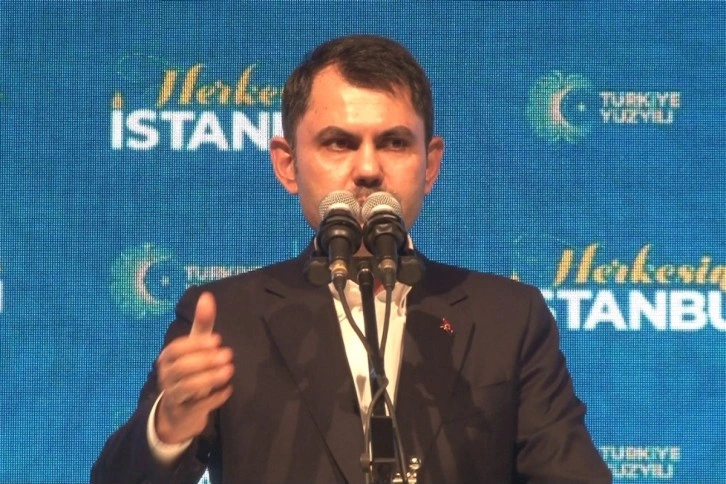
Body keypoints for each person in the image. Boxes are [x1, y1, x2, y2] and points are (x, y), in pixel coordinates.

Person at [92, 34, 612, 483]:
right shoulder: (228, 318)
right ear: (288, 165)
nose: (367, 169)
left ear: (430, 165)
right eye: (338, 143)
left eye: (394, 143)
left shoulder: (509, 317)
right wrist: (168, 429)